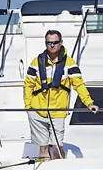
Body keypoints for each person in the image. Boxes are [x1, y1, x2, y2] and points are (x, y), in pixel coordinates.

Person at [23, 29, 97, 159]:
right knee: (42, 148)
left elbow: (79, 85)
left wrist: (89, 103)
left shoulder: (70, 64)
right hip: (37, 111)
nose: (52, 45)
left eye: (55, 42)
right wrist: (28, 106)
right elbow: (28, 85)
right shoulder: (36, 62)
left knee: (57, 147)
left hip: (58, 112)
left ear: (61, 43)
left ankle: (59, 166)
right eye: (49, 42)